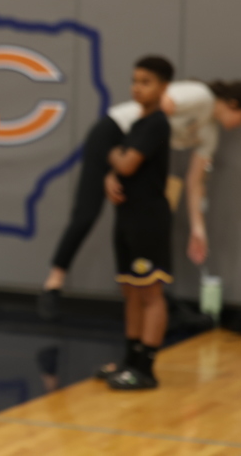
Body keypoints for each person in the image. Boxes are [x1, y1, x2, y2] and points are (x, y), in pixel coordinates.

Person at [38, 78, 241, 320]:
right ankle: (53, 284)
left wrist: (198, 229)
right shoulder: (200, 95)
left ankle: (150, 295)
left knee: (142, 220)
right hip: (114, 134)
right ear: (232, 104)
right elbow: (153, 114)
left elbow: (195, 182)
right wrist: (117, 168)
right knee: (86, 214)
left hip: (136, 155)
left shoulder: (210, 134)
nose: (240, 125)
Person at [99, 57, 174, 390]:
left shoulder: (157, 123)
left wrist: (112, 155)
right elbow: (121, 166)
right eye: (135, 81)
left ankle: (146, 368)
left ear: (163, 87)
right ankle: (129, 360)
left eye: (146, 82)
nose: (137, 88)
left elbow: (127, 163)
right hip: (127, 217)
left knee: (150, 292)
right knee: (131, 289)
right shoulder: (138, 124)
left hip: (148, 220)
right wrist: (110, 175)